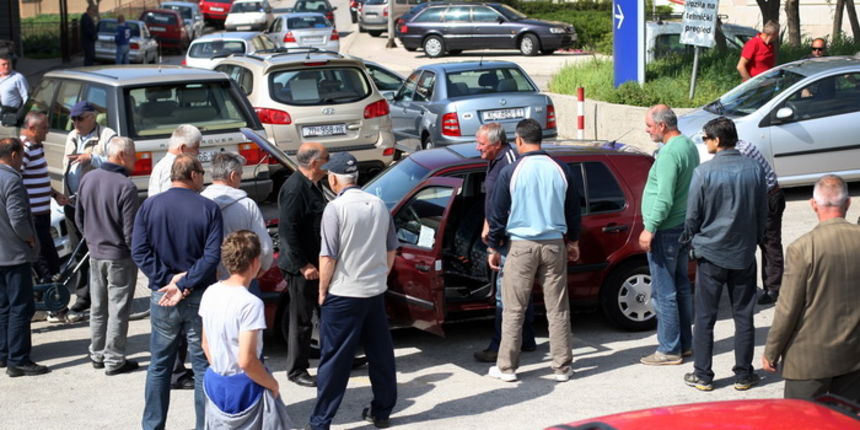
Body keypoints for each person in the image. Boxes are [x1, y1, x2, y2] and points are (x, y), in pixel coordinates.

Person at [486, 118, 581, 383]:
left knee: (514, 308)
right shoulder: (561, 169)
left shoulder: (511, 171)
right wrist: (573, 242)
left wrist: (494, 246)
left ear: (518, 140)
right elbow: (574, 210)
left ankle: (507, 367)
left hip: (520, 246)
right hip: (554, 244)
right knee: (558, 308)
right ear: (541, 140)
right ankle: (562, 367)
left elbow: (497, 214)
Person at [132, 154, 223, 430]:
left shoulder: (149, 206)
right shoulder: (209, 208)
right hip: (198, 296)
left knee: (159, 365)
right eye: (202, 173)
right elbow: (211, 256)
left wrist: (167, 280)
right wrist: (184, 283)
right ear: (194, 175)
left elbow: (139, 251)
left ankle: (152, 426)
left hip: (163, 296)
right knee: (202, 367)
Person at [309, 152, 398, 430]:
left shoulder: (335, 209)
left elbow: (328, 257)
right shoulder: (379, 204)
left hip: (344, 292)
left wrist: (323, 290)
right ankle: (382, 411)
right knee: (380, 355)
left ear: (334, 179)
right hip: (374, 291)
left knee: (334, 361)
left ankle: (320, 421)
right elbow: (391, 248)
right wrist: (381, 274)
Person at [682, 117, 767, 392]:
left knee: (705, 317)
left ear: (717, 140)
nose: (704, 142)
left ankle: (703, 375)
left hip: (711, 255)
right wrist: (754, 240)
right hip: (743, 254)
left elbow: (692, 216)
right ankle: (744, 374)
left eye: (706, 137)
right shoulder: (755, 168)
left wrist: (692, 243)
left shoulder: (703, 173)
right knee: (744, 315)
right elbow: (762, 212)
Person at [762, 175, 860, 402]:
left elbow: (787, 309)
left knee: (801, 421)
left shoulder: (802, 249)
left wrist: (771, 351)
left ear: (813, 204)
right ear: (848, 203)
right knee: (846, 421)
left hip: (809, 362)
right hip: (854, 355)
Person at [200, 231, 293, 428]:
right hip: (244, 387)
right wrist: (272, 384)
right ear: (255, 261)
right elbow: (246, 360)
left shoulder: (211, 292)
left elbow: (205, 343)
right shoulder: (250, 303)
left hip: (215, 380)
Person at [638, 105, 699, 366]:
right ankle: (684, 344)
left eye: (650, 126)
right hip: (682, 226)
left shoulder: (669, 155)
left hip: (666, 230)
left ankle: (669, 349)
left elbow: (664, 196)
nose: (647, 130)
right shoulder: (688, 146)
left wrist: (649, 227)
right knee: (681, 288)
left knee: (664, 293)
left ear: (662, 125)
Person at [472, 123, 537, 363]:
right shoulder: (494, 158)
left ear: (497, 143)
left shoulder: (509, 161)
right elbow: (493, 198)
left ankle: (500, 346)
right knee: (520, 291)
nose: (477, 147)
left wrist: (495, 242)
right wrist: (487, 223)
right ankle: (526, 339)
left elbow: (510, 203)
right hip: (500, 233)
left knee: (506, 295)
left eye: (481, 143)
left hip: (510, 239)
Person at [75, 136, 140, 375]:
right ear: (122, 155)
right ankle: (114, 359)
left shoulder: (88, 178)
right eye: (133, 156)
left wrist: (92, 240)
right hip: (119, 256)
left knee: (98, 307)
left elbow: (79, 218)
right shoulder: (126, 186)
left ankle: (97, 353)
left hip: (95, 253)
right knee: (119, 309)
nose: (135, 161)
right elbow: (130, 232)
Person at [146, 123, 201, 390]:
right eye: (196, 150)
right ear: (182, 149)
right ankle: (176, 372)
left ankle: (174, 371)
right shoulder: (169, 171)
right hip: (174, 264)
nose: (199, 155)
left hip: (166, 266)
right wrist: (172, 278)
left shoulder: (161, 167)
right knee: (173, 331)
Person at [59, 101, 118, 323]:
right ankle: (83, 298)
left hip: (95, 204)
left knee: (96, 251)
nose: (75, 123)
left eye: (79, 118)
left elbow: (116, 162)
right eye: (72, 119)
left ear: (92, 117)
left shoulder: (107, 135)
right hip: (72, 202)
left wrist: (91, 158)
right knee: (77, 252)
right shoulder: (72, 135)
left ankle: (101, 297)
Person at [277, 142, 329, 388]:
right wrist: (303, 265)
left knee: (326, 314)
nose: (329, 163)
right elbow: (288, 232)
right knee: (302, 319)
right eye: (326, 159)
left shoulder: (314, 185)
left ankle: (334, 359)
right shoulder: (295, 190)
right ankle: (297, 369)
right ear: (315, 163)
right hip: (303, 269)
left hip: (319, 263)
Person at [0, 137, 50, 377]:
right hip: (13, 255)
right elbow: (18, 219)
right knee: (21, 306)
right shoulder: (12, 180)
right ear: (14, 156)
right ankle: (18, 359)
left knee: (3, 306)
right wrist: (31, 239)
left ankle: (4, 352)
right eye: (21, 156)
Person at [201, 151, 274, 282]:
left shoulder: (199, 203)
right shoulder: (247, 205)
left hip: (207, 278)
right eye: (240, 175)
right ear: (233, 176)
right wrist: (261, 269)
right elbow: (265, 248)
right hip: (241, 276)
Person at [19, 112, 69, 284]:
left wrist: (54, 194)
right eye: (44, 128)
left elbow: (39, 178)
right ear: (32, 128)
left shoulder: (36, 147)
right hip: (33, 214)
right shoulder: (24, 149)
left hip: (43, 213)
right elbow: (13, 179)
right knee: (42, 258)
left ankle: (53, 293)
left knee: (49, 255)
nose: (47, 132)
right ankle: (48, 294)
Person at [736, 140, 783, 305]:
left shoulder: (741, 152)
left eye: (707, 139)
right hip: (764, 197)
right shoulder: (740, 147)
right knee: (764, 243)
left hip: (768, 198)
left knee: (769, 244)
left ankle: (774, 289)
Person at [148, 124, 201, 197]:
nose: (198, 152)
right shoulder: (176, 167)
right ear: (183, 148)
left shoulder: (160, 165)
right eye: (195, 148)